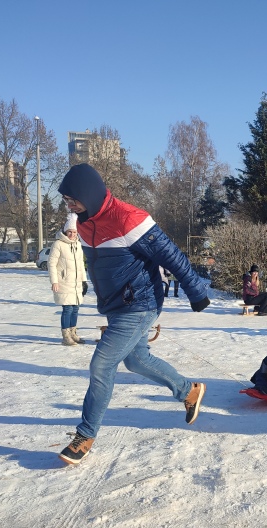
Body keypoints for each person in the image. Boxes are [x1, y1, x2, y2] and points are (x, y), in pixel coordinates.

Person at [56, 163, 211, 465]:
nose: (70, 206)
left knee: (102, 364)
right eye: (66, 201)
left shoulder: (129, 218)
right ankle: (188, 391)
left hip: (140, 304)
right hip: (115, 306)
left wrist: (196, 292)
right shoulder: (84, 223)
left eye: (73, 199)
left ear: (90, 194)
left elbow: (172, 255)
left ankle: (85, 434)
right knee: (137, 360)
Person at [48, 213, 87, 346]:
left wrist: (84, 281)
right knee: (68, 309)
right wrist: (54, 281)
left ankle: (73, 333)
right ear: (65, 231)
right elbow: (51, 263)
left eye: (74, 232)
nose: (72, 234)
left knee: (75, 308)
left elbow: (81, 264)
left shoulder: (78, 245)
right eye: (69, 232)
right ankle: (66, 336)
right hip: (64, 282)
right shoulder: (58, 244)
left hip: (76, 283)